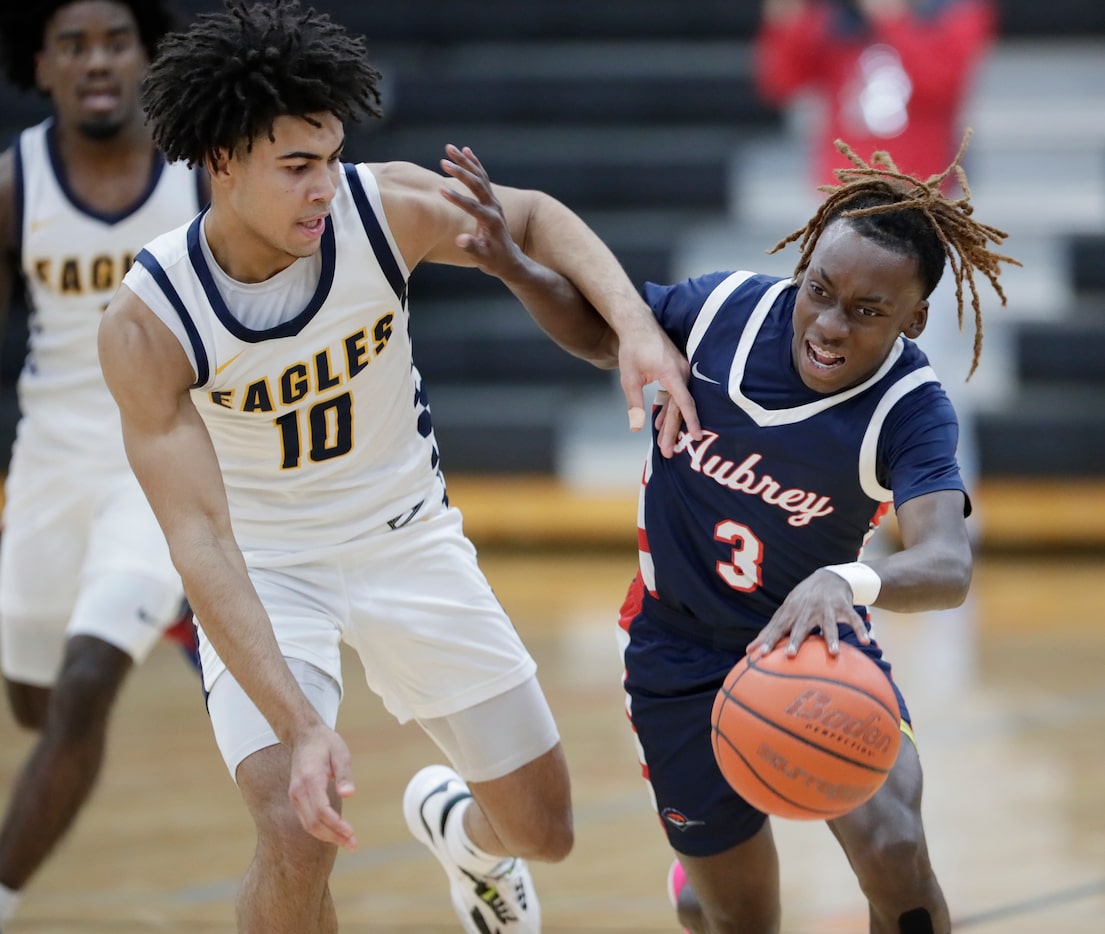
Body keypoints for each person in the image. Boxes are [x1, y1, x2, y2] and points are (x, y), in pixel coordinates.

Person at [96, 2, 698, 932]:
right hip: (266, 570)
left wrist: (637, 330)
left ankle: (461, 837)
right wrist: (301, 728)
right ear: (222, 161)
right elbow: (199, 540)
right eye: (297, 166)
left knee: (544, 831)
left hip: (406, 539)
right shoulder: (150, 322)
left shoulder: (379, 212)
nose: (324, 186)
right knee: (294, 832)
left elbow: (530, 217)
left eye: (331, 156)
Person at [613, 137, 1017, 933]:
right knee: (729, 914)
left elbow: (945, 563)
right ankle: (697, 884)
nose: (830, 325)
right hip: (678, 649)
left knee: (896, 850)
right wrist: (518, 261)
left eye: (868, 311)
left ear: (913, 318)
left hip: (812, 642)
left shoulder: (911, 408)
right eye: (820, 291)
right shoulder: (724, 309)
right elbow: (602, 318)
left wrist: (853, 580)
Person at [0, 1, 207, 925]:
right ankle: (144, 618)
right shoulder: (15, 187)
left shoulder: (203, 171)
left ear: (147, 57)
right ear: (40, 65)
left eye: (116, 40)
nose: (96, 60)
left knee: (85, 688)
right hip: (50, 462)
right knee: (36, 706)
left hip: (160, 457)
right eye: (73, 44)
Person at [753, 0, 998, 507]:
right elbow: (780, 80)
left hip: (924, 215)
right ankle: (829, 506)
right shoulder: (837, 17)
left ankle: (944, 510)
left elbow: (943, 81)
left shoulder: (955, 10)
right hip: (841, 220)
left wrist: (891, 16)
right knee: (820, 360)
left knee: (936, 372)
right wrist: (786, 19)